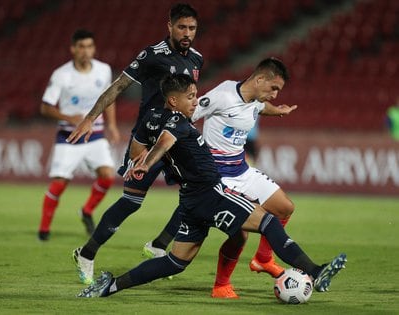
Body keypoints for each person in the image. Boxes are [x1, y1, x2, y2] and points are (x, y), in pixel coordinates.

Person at [76, 73, 347, 298]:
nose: (196, 102)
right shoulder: (177, 123)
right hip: (212, 193)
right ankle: (314, 270)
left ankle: (112, 286)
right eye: (190, 97)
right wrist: (149, 163)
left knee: (175, 261)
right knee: (269, 222)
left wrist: (140, 161)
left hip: (190, 200)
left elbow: (138, 145)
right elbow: (166, 141)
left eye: (195, 96)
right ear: (173, 100)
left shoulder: (151, 118)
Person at [66, 3, 202, 285]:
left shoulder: (197, 59)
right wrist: (91, 117)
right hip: (149, 138)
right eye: (181, 27)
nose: (187, 33)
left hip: (179, 137)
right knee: (131, 202)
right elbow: (118, 86)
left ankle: (158, 245)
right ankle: (87, 254)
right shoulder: (153, 55)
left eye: (191, 28)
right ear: (170, 26)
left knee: (200, 191)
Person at [144, 58, 298, 298]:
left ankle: (262, 260)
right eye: (273, 88)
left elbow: (259, 108)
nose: (275, 95)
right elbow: (188, 113)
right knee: (241, 233)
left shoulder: (255, 100)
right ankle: (221, 285)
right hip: (217, 177)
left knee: (285, 208)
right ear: (259, 80)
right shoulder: (223, 95)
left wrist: (278, 112)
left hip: (242, 170)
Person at [37, 29, 120, 241]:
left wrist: (112, 125)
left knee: (108, 175)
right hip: (69, 135)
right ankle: (44, 229)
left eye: (89, 46)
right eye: (81, 47)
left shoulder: (103, 70)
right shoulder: (61, 75)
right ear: (73, 49)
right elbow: (45, 108)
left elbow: (109, 99)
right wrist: (69, 117)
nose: (86, 51)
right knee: (59, 183)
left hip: (95, 134)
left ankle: (87, 211)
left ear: (94, 48)